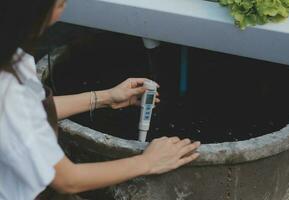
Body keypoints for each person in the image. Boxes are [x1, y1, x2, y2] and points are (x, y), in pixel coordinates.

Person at [0, 0, 201, 199]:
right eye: (60, 2)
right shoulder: (8, 90)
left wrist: (106, 98)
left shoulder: (13, 56)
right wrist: (148, 161)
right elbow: (66, 179)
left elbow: (29, 115)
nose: (65, 5)